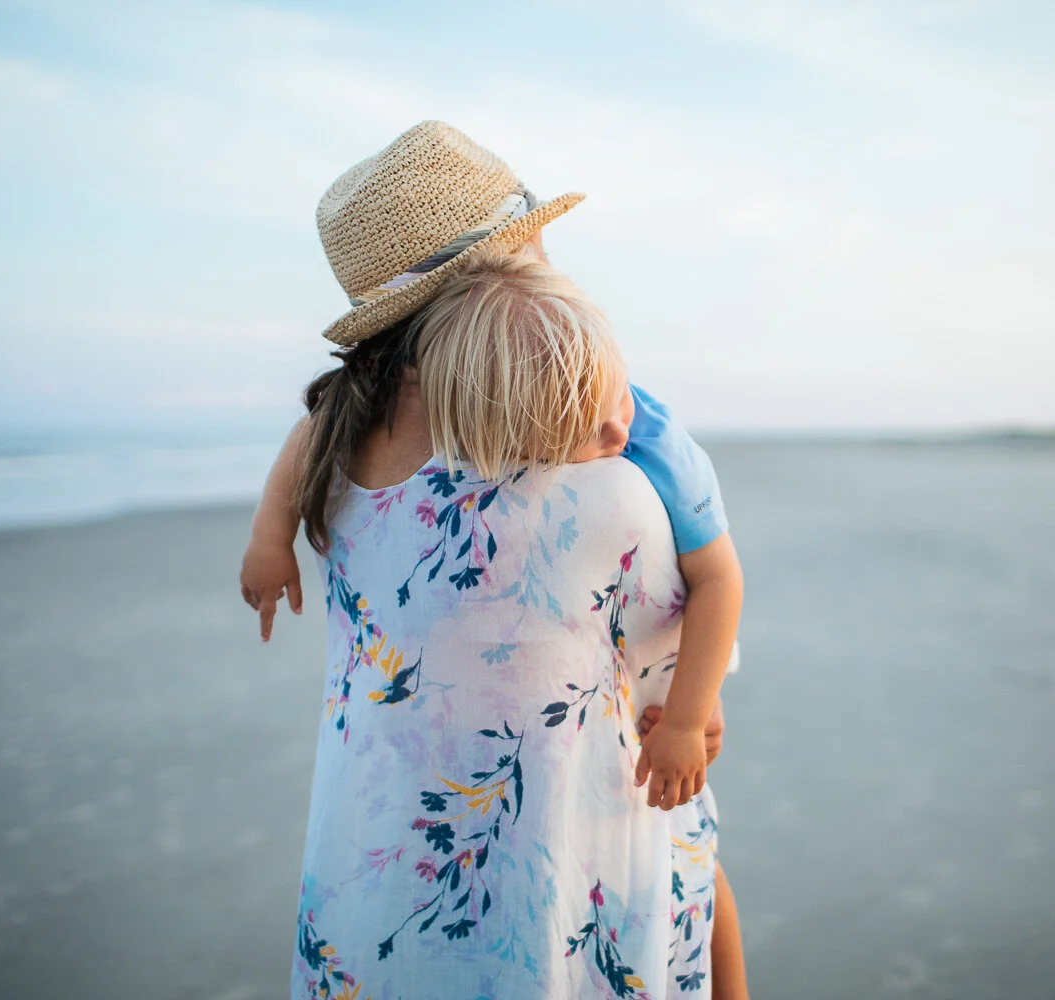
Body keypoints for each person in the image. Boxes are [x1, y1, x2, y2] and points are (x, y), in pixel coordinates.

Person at [240, 121, 749, 999]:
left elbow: (710, 582)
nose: (611, 433)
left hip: (387, 842)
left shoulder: (590, 398)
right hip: (564, 837)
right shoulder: (544, 416)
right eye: (528, 242)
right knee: (700, 867)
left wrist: (684, 705)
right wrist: (267, 534)